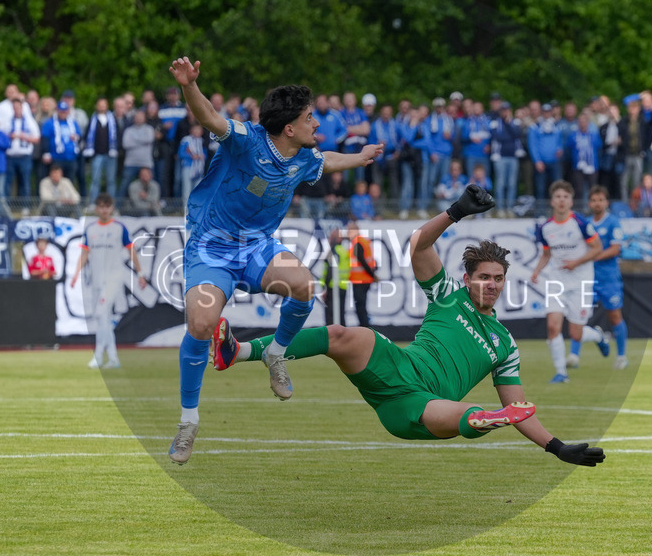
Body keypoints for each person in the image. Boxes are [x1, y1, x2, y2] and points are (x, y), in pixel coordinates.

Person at [209, 186, 605, 467]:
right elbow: (417, 245)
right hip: (397, 368)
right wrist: (456, 211)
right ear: (467, 279)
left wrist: (556, 447)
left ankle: (480, 420)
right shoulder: (448, 294)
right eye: (484, 276)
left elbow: (518, 407)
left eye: (498, 278)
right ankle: (238, 352)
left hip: (422, 406)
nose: (491, 284)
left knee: (477, 413)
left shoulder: (505, 345)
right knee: (346, 335)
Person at [165, 56, 383, 465]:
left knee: (303, 284)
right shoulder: (246, 140)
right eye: (310, 118)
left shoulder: (302, 157)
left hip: (257, 246)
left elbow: (327, 160)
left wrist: (360, 156)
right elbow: (211, 119)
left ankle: (275, 353)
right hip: (211, 248)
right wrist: (189, 86)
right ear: (289, 128)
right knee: (200, 323)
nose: (316, 124)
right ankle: (188, 421)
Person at [530, 180, 611, 383]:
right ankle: (561, 373)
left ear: (571, 201)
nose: (561, 200)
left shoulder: (581, 223)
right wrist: (537, 271)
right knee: (552, 327)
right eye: (558, 197)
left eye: (565, 197)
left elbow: (597, 248)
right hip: (557, 281)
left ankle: (599, 336)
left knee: (576, 333)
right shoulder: (546, 228)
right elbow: (546, 254)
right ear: (552, 201)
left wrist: (576, 262)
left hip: (581, 281)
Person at [69, 193, 147, 370]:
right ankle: (113, 358)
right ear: (97, 209)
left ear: (111, 208)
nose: (104, 210)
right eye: (101, 207)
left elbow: (131, 250)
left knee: (101, 312)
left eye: (107, 206)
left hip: (113, 278)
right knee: (103, 318)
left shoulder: (120, 228)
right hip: (97, 280)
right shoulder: (90, 229)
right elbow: (84, 254)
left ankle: (98, 356)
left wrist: (140, 273)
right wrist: (75, 274)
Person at [568, 186, 629, 369]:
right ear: (589, 203)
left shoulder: (613, 222)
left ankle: (621, 356)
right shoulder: (585, 223)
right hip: (587, 277)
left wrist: (593, 256)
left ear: (606, 202)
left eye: (600, 200)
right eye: (594, 200)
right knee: (579, 315)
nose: (597, 203)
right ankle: (574, 356)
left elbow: (616, 248)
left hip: (608, 278)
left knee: (614, 316)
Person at [346, 220, 376, 327]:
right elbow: (372, 261)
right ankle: (366, 328)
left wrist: (373, 275)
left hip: (360, 280)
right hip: (365, 279)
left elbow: (362, 261)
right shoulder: (364, 241)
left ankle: (365, 329)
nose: (347, 233)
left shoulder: (357, 243)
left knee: (360, 307)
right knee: (362, 306)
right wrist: (373, 274)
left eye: (349, 231)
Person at [320, 228, 349, 326]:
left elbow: (330, 271)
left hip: (333, 287)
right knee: (340, 315)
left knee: (331, 317)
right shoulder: (343, 251)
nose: (329, 239)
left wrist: (325, 289)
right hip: (343, 286)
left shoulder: (333, 251)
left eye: (331, 237)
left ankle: (331, 340)